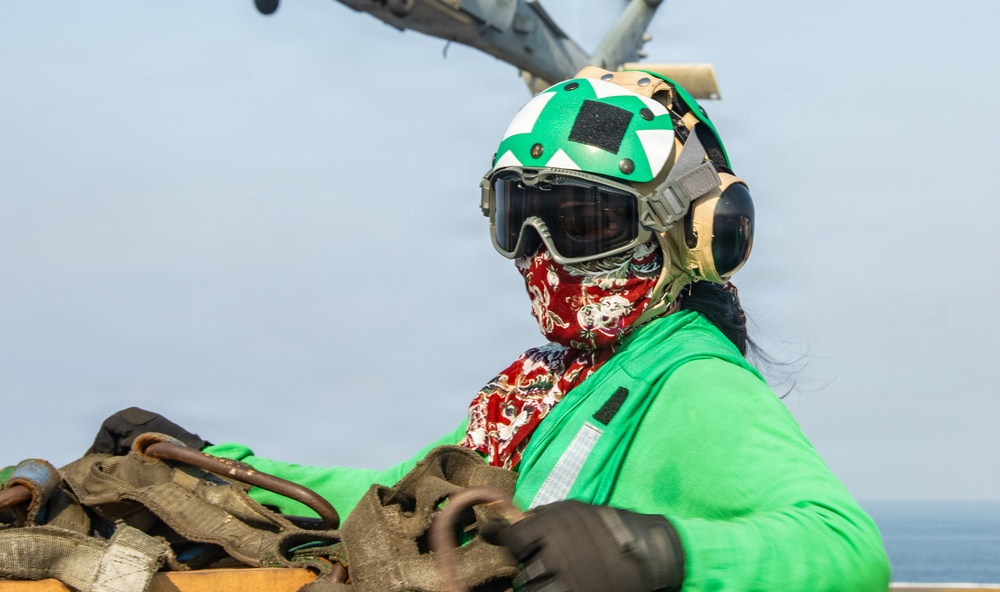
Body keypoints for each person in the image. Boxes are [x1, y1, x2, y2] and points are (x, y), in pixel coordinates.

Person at [91, 67, 891, 591]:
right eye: (521, 218)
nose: (539, 256)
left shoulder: (690, 381)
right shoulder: (545, 385)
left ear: (684, 234)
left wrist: (653, 552)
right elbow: (395, 503)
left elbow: (846, 550)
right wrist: (212, 468)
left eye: (579, 222)